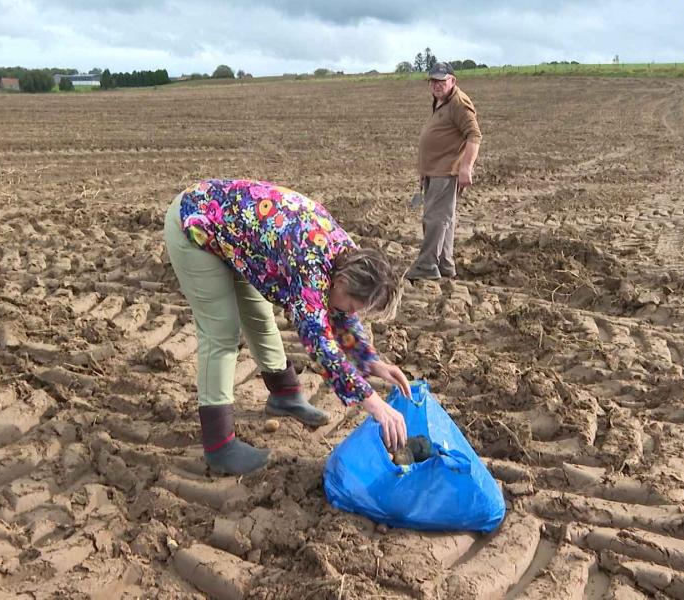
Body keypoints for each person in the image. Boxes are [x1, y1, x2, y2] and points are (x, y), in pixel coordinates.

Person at [163, 179, 411, 475]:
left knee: (258, 314)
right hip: (195, 224)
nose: (353, 314)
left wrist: (370, 362)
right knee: (221, 332)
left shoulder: (349, 258)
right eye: (356, 307)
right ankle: (219, 446)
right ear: (342, 283)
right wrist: (372, 401)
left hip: (240, 238)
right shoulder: (310, 264)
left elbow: (340, 311)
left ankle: (284, 395)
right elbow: (320, 344)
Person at [405, 61, 482, 281]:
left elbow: (474, 135)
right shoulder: (441, 101)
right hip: (435, 171)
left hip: (446, 172)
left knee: (435, 219)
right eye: (433, 81)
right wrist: (424, 169)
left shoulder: (458, 102)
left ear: (452, 81)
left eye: (442, 80)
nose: (437, 85)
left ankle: (427, 266)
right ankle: (445, 264)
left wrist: (466, 167)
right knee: (444, 220)